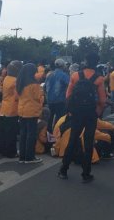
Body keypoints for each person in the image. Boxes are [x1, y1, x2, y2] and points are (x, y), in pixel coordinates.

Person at [58, 52, 107, 183]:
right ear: (96, 63)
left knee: (72, 140)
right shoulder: (99, 79)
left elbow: (68, 96)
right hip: (90, 114)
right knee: (89, 142)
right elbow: (102, 100)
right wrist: (97, 112)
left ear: (85, 61)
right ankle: (86, 173)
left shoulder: (75, 75)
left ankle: (63, 170)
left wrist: (72, 111)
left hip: (77, 114)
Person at [17, 63, 45, 164]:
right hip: (32, 111)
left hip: (22, 110)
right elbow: (39, 98)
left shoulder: (20, 83)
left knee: (23, 134)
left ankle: (22, 157)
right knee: (31, 135)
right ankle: (30, 157)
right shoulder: (34, 84)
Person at [0, 60, 22, 158]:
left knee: (3, 132)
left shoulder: (6, 78)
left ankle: (2, 149)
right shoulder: (16, 81)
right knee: (11, 133)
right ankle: (11, 152)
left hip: (3, 108)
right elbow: (17, 97)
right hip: (12, 109)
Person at [45, 59, 70, 129]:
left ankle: (48, 135)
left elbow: (45, 87)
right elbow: (70, 86)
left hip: (50, 100)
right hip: (60, 100)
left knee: (50, 118)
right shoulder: (64, 75)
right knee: (59, 120)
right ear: (63, 66)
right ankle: (57, 134)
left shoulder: (49, 75)